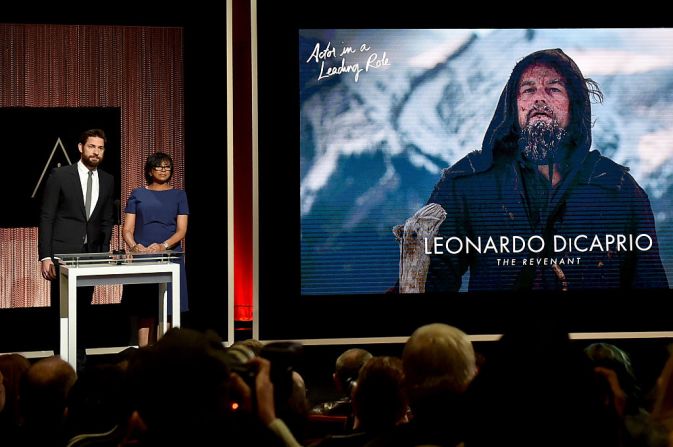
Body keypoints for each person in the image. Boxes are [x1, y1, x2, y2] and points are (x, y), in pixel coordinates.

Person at [424, 48, 669, 291]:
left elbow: (649, 288)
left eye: (554, 89)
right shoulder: (470, 184)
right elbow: (429, 281)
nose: (539, 98)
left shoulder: (618, 190)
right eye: (528, 90)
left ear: (574, 106)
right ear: (514, 105)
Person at [38, 128, 114, 355]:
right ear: (81, 147)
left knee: (83, 311)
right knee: (61, 311)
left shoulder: (108, 179)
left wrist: (104, 251)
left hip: (91, 255)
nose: (96, 152)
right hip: (62, 253)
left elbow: (107, 219)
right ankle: (60, 363)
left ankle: (79, 361)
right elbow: (47, 216)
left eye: (100, 148)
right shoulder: (60, 175)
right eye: (92, 146)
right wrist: (45, 256)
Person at [122, 152, 189, 346]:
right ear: (150, 171)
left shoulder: (179, 195)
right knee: (144, 307)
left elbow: (182, 230)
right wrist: (135, 247)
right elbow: (127, 229)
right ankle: (143, 356)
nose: (163, 170)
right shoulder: (138, 193)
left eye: (167, 166)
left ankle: (164, 355)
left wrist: (163, 246)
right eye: (159, 166)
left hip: (170, 255)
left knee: (168, 308)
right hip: (143, 256)